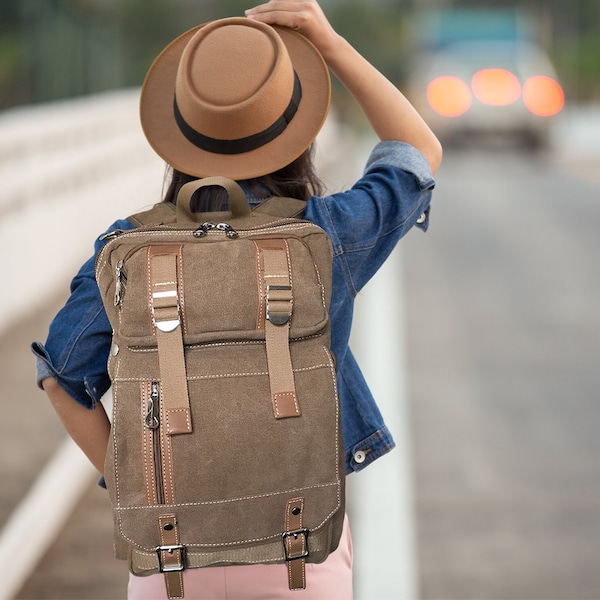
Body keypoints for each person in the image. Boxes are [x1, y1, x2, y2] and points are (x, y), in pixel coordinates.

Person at [32, 1, 442, 598]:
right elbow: (416, 150)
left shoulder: (130, 248)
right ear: (298, 129)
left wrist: (136, 492)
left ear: (179, 132)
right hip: (300, 557)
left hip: (171, 560)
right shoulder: (326, 238)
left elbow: (61, 377)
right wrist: (330, 44)